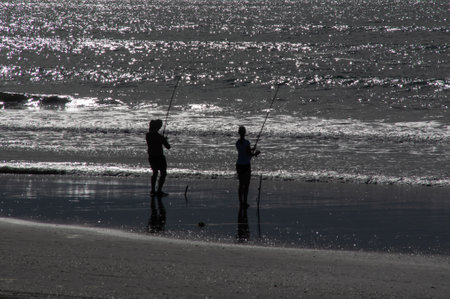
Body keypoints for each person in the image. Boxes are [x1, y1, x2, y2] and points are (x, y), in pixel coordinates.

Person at [235, 126, 260, 207]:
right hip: (246, 165)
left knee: (241, 184)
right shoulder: (247, 143)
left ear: (239, 133)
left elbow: (244, 152)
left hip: (239, 165)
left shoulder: (238, 143)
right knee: (246, 185)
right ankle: (245, 202)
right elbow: (249, 154)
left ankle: (240, 202)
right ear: (245, 133)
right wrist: (256, 153)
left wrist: (252, 149)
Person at [146, 119, 171, 196]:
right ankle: (159, 190)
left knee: (155, 173)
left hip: (151, 156)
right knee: (163, 173)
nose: (160, 127)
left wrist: (162, 139)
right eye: (159, 126)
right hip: (159, 157)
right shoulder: (159, 137)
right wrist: (164, 140)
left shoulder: (148, 135)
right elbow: (168, 147)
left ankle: (153, 190)